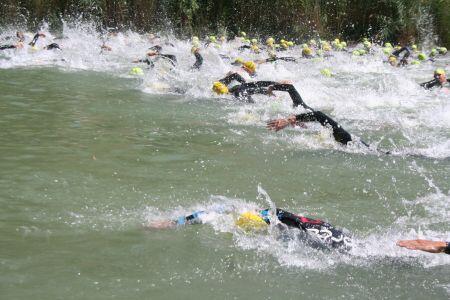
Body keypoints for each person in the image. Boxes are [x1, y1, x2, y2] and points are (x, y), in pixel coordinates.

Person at [146, 206, 352, 250]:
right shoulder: (278, 218)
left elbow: (203, 215)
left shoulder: (274, 220)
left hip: (322, 236)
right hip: (327, 230)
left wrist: (174, 223)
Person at [212, 72, 278, 102]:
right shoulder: (232, 89)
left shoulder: (238, 93)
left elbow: (257, 89)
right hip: (245, 91)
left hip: (245, 95)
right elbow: (257, 87)